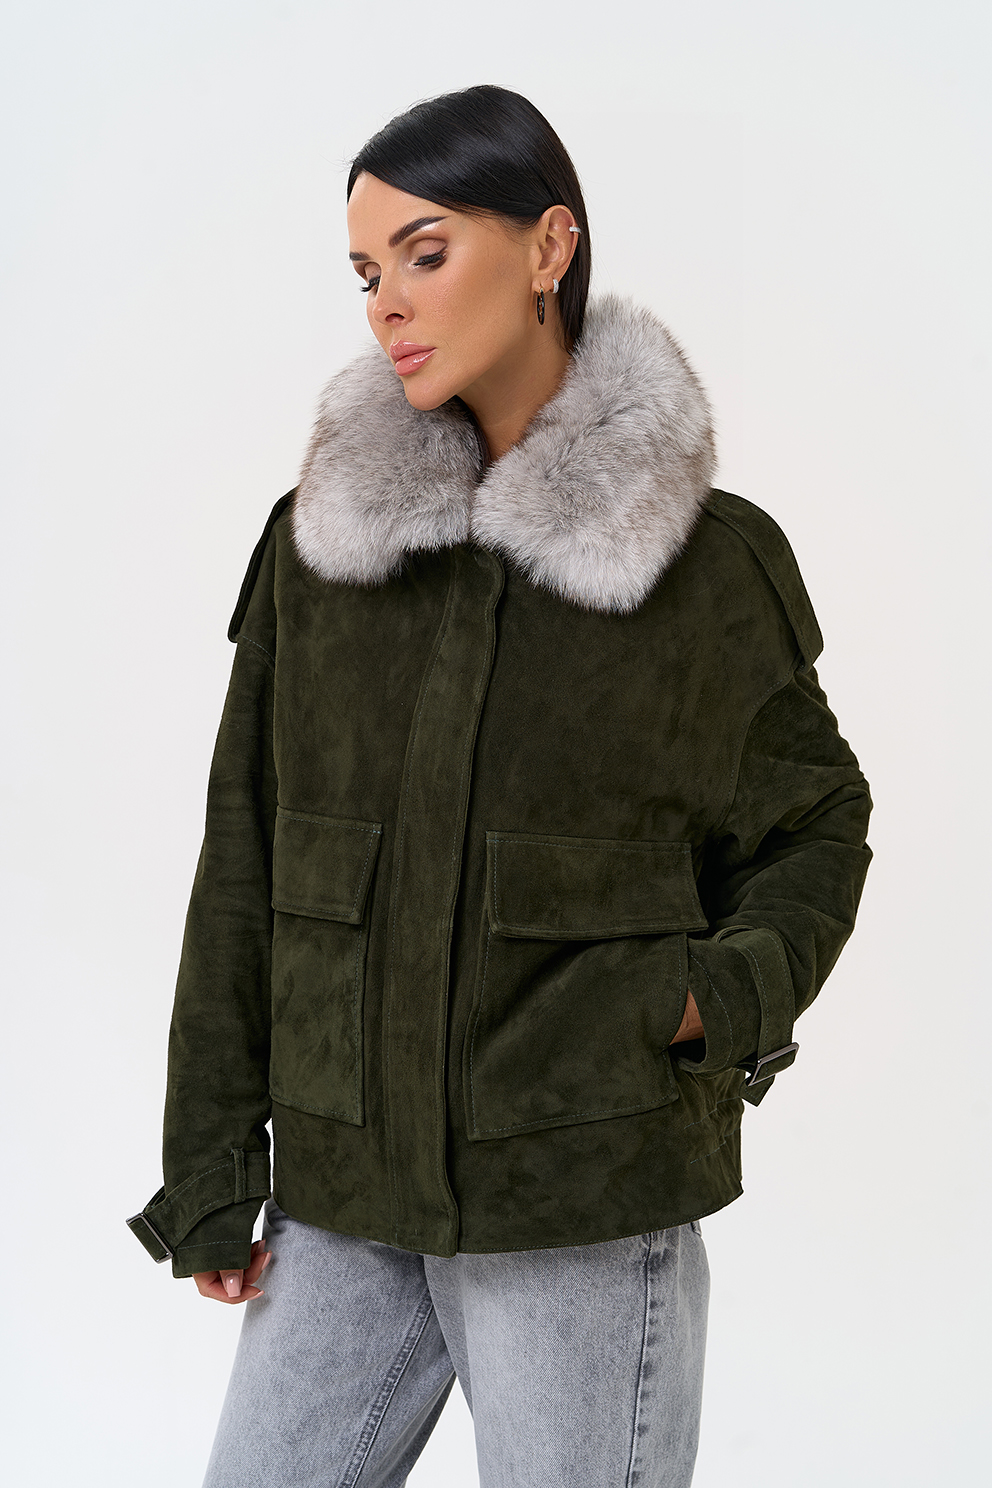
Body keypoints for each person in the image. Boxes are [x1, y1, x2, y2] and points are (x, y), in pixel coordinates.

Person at [127, 84, 872, 1488]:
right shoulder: (320, 551)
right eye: (366, 273)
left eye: (425, 252)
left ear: (548, 246)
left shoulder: (707, 567)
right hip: (344, 1194)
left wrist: (712, 1000)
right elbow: (244, 859)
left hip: (578, 1193)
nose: (388, 305)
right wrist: (214, 1157)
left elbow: (819, 823)